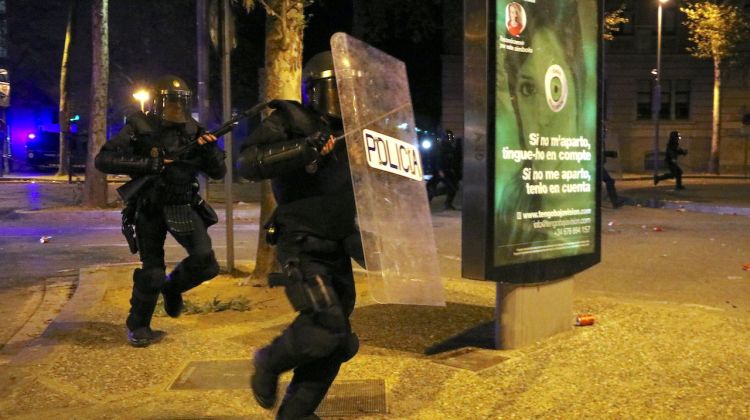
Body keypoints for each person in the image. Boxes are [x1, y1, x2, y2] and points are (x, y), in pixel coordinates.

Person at [237, 51, 362, 420]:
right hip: (301, 245)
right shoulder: (291, 119)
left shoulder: (355, 130)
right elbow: (248, 163)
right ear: (316, 89)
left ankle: (297, 412)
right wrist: (303, 148)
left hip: (338, 244)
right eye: (333, 88)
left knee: (339, 341)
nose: (341, 97)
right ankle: (268, 361)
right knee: (327, 326)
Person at [95, 75, 226, 347]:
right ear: (158, 101)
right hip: (150, 205)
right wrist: (148, 164)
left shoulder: (195, 130)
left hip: (183, 203)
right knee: (152, 271)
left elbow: (218, 172)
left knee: (206, 262)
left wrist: (210, 150)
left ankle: (173, 287)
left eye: (180, 102)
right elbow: (104, 159)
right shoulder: (139, 126)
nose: (175, 108)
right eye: (170, 102)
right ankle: (138, 324)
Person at [426, 130, 461, 210]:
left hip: (447, 170)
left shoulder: (449, 146)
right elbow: (439, 158)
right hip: (443, 170)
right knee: (451, 188)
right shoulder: (442, 146)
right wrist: (440, 170)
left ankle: (447, 203)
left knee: (453, 188)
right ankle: (433, 195)